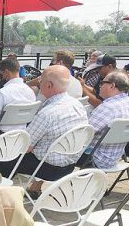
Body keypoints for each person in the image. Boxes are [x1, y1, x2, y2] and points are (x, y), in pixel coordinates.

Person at [13, 65, 88, 195]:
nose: (38, 82)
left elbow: (24, 147)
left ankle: (0, 198)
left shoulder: (48, 113)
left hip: (46, 168)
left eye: (40, 80)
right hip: (69, 166)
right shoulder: (78, 106)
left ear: (48, 85)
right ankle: (33, 188)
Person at [78, 71, 129, 169]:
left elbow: (84, 133)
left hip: (95, 158)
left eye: (102, 83)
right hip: (115, 157)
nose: (100, 86)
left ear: (112, 86)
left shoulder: (108, 107)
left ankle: (63, 182)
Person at [0, 57, 36, 143]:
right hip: (21, 137)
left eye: (1, 74)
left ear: (6, 72)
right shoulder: (30, 92)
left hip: (0, 137)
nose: (1, 77)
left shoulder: (2, 93)